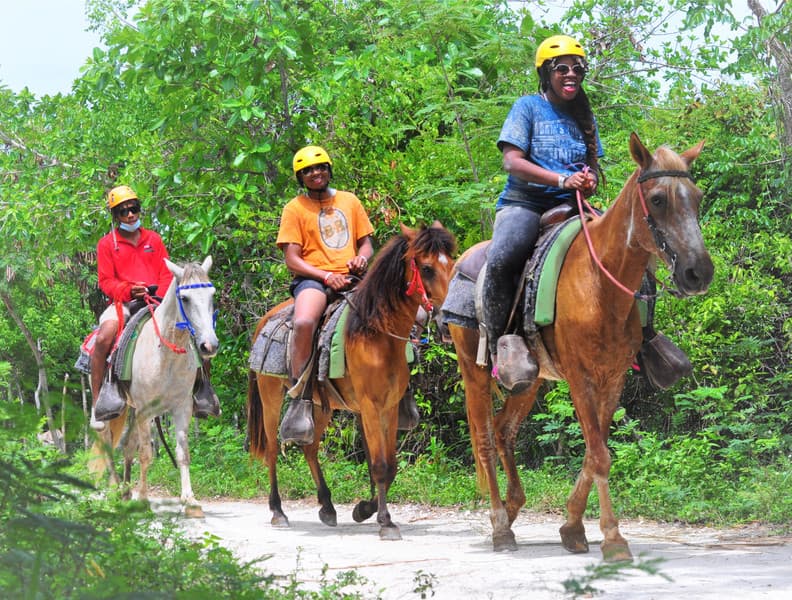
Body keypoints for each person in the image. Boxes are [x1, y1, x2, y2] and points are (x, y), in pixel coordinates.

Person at [482, 34, 690, 391]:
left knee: (632, 249)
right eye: (561, 68)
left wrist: (588, 178)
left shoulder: (584, 117)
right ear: (546, 73)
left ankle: (644, 338)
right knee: (504, 256)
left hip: (573, 206)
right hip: (526, 204)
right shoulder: (527, 107)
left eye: (577, 68)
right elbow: (511, 161)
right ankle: (504, 343)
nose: (570, 74)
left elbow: (591, 166)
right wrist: (562, 179)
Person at [89, 185, 220, 431]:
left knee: (198, 329)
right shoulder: (107, 244)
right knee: (105, 336)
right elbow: (105, 281)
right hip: (124, 303)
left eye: (133, 209)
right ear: (115, 216)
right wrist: (129, 290)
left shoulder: (154, 239)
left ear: (139, 210)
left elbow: (165, 273)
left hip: (158, 301)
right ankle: (100, 400)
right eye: (123, 211)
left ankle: (203, 389)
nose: (130, 215)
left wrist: (156, 296)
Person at [276, 146, 375, 445]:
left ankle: (404, 388)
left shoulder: (350, 201)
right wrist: (324, 275)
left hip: (354, 277)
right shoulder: (294, 208)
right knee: (305, 321)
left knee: (395, 310)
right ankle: (300, 398)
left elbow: (366, 243)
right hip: (313, 280)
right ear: (300, 177)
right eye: (308, 170)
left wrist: (362, 259)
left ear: (330, 169)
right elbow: (292, 259)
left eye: (320, 167)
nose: (315, 173)